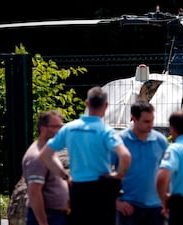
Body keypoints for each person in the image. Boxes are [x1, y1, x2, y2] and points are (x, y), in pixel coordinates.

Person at [39, 86, 132, 225]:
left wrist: (64, 175)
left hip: (78, 188)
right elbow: (125, 156)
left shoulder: (69, 128)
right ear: (105, 106)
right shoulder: (106, 131)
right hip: (102, 188)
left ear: (87, 104)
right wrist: (118, 175)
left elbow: (45, 155)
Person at [113, 101, 168, 225]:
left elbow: (167, 173)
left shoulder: (160, 141)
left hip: (155, 209)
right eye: (146, 121)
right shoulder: (120, 141)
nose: (151, 125)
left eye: (152, 120)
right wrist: (116, 202)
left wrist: (166, 201)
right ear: (134, 119)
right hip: (128, 207)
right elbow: (103, 172)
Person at [22, 110, 69, 225]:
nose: (60, 131)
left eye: (61, 126)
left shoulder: (48, 151)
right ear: (43, 128)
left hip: (56, 215)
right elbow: (34, 193)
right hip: (48, 217)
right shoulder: (36, 157)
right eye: (55, 127)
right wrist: (43, 222)